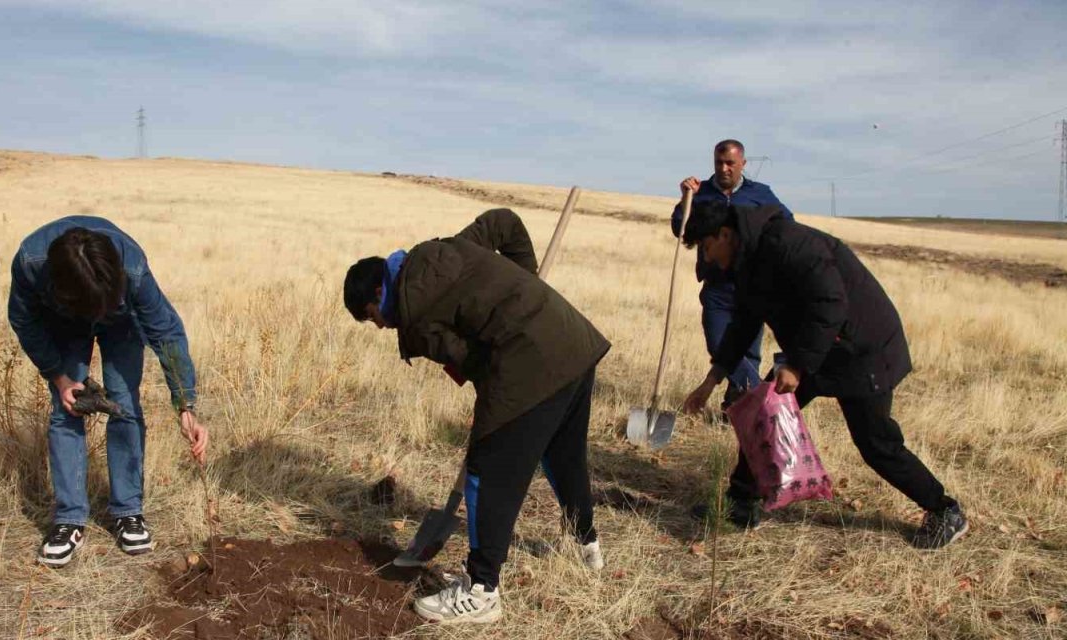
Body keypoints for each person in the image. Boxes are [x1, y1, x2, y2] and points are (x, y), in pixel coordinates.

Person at [343, 208, 611, 624]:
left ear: (379, 292)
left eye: (371, 316)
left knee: (487, 469)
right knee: (563, 455)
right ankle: (586, 546)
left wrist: (492, 409)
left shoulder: (414, 319)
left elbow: (474, 362)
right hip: (572, 340)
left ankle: (481, 590)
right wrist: (527, 287)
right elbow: (504, 222)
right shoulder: (441, 249)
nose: (378, 326)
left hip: (531, 363)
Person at [679, 200, 967, 549]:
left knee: (876, 443)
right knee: (761, 414)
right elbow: (744, 323)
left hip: (862, 348)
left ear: (724, 234)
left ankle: (944, 509)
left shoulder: (788, 243)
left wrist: (797, 365)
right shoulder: (747, 258)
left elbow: (831, 302)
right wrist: (713, 378)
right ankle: (741, 503)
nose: (707, 257)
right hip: (814, 347)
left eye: (706, 246)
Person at [7, 215, 209, 567]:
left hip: (121, 323)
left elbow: (165, 332)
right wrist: (59, 377)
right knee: (67, 408)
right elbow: (24, 320)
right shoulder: (31, 262)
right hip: (64, 321)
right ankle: (69, 519)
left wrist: (185, 406)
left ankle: (128, 511)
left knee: (124, 403)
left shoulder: (132, 268)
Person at [673, 140, 793, 411]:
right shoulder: (701, 192)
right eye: (719, 162)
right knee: (719, 345)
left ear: (743, 164)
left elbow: (786, 224)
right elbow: (680, 229)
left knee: (749, 352)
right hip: (716, 285)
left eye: (730, 163)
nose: (724, 168)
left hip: (753, 284)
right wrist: (685, 199)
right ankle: (767, 404)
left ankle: (737, 408)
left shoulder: (760, 193)